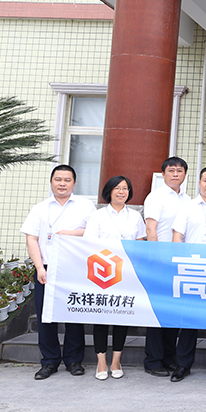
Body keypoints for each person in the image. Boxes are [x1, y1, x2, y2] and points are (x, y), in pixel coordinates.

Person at [21, 164, 95, 380]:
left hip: (75, 268)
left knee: (74, 314)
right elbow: (31, 239)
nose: (62, 184)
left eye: (67, 180)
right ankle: (49, 361)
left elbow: (95, 233)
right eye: (58, 179)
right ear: (51, 182)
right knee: (46, 316)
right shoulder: (40, 208)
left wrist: (70, 234)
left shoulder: (85, 206)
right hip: (46, 268)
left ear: (74, 183)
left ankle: (74, 360)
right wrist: (39, 267)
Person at [83, 175, 147, 380]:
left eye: (125, 188)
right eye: (117, 188)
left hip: (126, 272)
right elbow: (89, 244)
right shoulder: (98, 216)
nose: (121, 192)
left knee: (122, 315)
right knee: (101, 317)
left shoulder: (135, 216)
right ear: (109, 191)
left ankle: (116, 360)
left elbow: (140, 242)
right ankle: (101, 361)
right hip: (103, 272)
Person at [170, 167, 206, 383]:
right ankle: (183, 364)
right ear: (199, 182)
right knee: (189, 320)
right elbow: (177, 236)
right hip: (191, 268)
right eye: (205, 180)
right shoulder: (187, 207)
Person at [142, 156, 190, 377]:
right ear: (163, 174)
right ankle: (153, 361)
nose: (175, 174)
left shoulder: (187, 200)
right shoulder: (156, 196)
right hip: (160, 262)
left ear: (185, 174)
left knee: (174, 312)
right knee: (157, 312)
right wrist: (155, 258)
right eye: (171, 170)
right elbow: (150, 229)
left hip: (180, 263)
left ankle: (169, 358)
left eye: (179, 171)